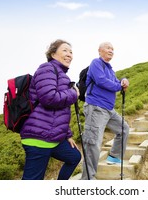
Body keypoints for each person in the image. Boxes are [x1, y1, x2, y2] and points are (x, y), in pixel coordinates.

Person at [20, 39, 81, 180]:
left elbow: (60, 112)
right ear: (53, 54)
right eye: (65, 50)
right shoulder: (46, 69)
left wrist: (68, 135)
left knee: (74, 156)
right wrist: (74, 93)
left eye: (71, 52)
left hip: (53, 136)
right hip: (39, 136)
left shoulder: (62, 75)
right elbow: (49, 98)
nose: (69, 54)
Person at [81, 42, 130, 180]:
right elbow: (101, 81)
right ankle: (88, 180)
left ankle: (114, 156)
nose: (111, 50)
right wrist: (119, 86)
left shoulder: (110, 69)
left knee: (124, 129)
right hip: (96, 108)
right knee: (93, 143)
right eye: (108, 48)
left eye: (113, 49)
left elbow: (116, 81)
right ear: (100, 51)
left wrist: (123, 80)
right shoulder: (96, 63)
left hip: (108, 109)